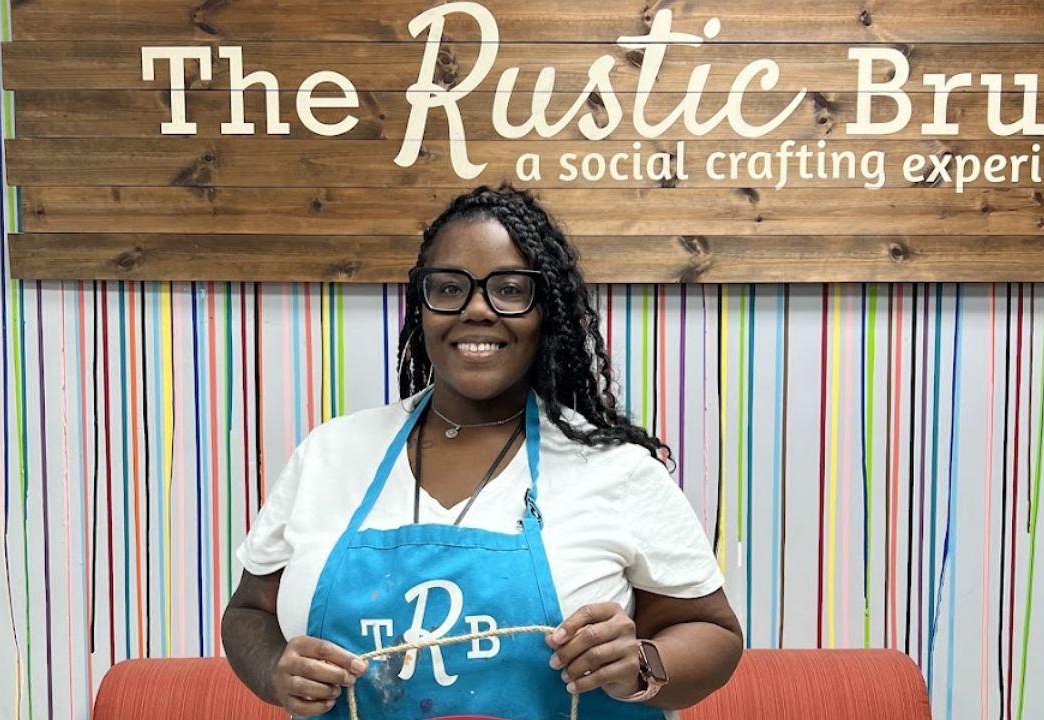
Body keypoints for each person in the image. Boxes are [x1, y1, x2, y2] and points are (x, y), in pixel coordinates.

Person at [223, 184, 742, 719]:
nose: (476, 309)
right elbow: (247, 612)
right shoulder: (330, 453)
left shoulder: (615, 469)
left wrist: (639, 661)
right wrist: (273, 672)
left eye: (511, 290)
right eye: (449, 288)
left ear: (547, 313)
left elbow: (715, 633)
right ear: (421, 307)